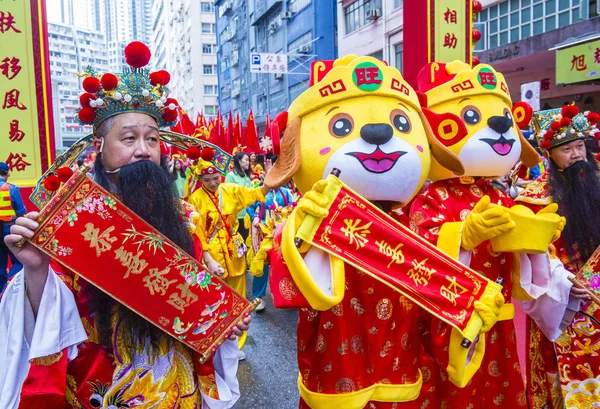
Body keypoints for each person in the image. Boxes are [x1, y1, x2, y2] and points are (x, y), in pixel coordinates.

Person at [0, 41, 249, 409]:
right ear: (100, 147)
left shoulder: (179, 220)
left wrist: (223, 326)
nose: (143, 150)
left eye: (152, 138)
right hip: (104, 390)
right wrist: (36, 270)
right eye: (129, 138)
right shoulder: (76, 222)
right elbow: (52, 323)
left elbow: (198, 309)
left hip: (178, 392)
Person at [410, 61, 561, 408]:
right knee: (456, 393)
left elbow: (524, 272)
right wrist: (461, 237)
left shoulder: (500, 196)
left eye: (504, 118)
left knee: (500, 393)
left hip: (499, 322)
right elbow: (419, 256)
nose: (499, 126)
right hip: (451, 322)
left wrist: (536, 244)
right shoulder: (430, 198)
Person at [515, 106, 600, 409]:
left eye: (580, 146)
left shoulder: (597, 182)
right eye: (567, 149)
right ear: (549, 155)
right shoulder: (534, 198)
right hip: (565, 301)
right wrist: (563, 281)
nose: (578, 154)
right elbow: (532, 253)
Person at [189, 160, 268, 355]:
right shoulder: (195, 199)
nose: (214, 183)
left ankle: (236, 345)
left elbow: (255, 194)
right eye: (207, 180)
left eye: (216, 178)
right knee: (214, 302)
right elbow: (196, 234)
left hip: (234, 253)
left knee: (238, 301)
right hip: (213, 256)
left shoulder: (230, 190)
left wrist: (271, 180)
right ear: (200, 179)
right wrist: (208, 260)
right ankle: (215, 342)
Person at [246, 186, 294, 311]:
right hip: (263, 233)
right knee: (262, 264)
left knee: (286, 264)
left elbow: (293, 208)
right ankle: (258, 296)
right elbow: (249, 206)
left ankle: (288, 294)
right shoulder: (258, 190)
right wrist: (254, 217)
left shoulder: (286, 192)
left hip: (282, 234)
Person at [0, 162, 27, 291]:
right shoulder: (11, 188)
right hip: (10, 229)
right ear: (7, 173)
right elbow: (21, 211)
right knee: (18, 261)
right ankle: (11, 288)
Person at [224, 152, 254, 243]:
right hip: (236, 215)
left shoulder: (247, 176)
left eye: (248, 160)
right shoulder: (231, 176)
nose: (248, 162)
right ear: (239, 161)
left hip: (247, 214)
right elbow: (227, 194)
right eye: (246, 160)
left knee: (246, 240)